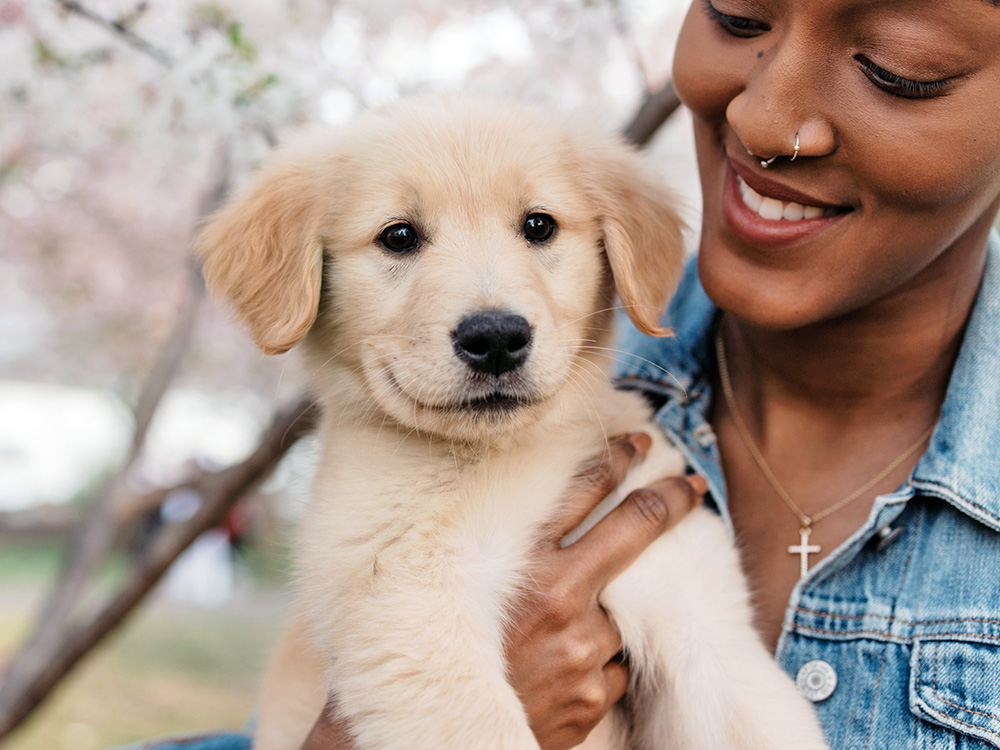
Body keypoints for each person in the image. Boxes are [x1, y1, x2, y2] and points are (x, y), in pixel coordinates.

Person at [133, 0, 1000, 747]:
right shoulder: (436, 485)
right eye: (398, 238)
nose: (492, 313)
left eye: (901, 69)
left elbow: (725, 691)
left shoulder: (629, 452)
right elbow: (403, 658)